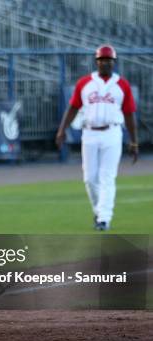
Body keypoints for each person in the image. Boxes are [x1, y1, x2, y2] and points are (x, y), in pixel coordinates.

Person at [56, 44, 138, 231]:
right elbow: (73, 107)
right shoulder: (85, 83)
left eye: (109, 60)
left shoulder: (121, 84)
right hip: (90, 133)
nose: (105, 63)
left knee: (107, 177)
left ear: (114, 62)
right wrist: (62, 130)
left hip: (112, 133)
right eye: (102, 60)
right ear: (96, 62)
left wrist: (133, 141)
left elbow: (129, 113)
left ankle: (104, 219)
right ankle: (99, 212)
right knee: (89, 178)